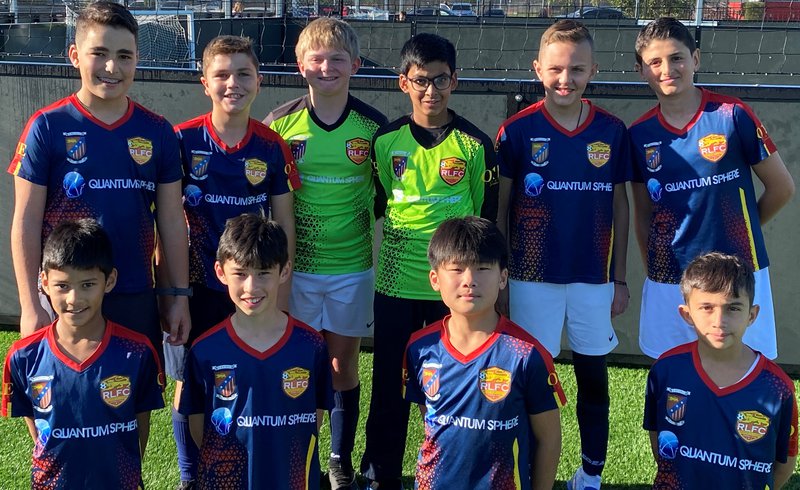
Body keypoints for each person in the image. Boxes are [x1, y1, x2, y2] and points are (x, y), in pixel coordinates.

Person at [7, 1, 191, 355]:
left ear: (137, 60)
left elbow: (171, 220)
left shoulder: (158, 131)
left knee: (134, 390)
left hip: (135, 294)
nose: (112, 67)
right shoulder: (46, 126)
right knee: (67, 388)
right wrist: (30, 305)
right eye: (99, 53)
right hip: (66, 298)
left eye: (124, 56)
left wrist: (178, 296)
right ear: (75, 56)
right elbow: (26, 221)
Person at [495, 19, 630, 490]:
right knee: (532, 380)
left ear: (593, 70)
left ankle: (590, 474)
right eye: (555, 69)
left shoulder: (612, 131)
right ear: (538, 69)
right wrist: (502, 279)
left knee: (594, 377)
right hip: (532, 278)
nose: (565, 79)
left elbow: (620, 206)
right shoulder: (516, 130)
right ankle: (531, 471)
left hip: (593, 278)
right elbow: (501, 210)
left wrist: (619, 277)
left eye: (576, 69)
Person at [361, 32, 499, 489]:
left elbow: (484, 221)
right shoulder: (386, 141)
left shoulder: (475, 145)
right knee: (389, 385)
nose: (431, 91)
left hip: (454, 293)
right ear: (403, 82)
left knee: (452, 388)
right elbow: (382, 201)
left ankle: (451, 474)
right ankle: (379, 475)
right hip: (396, 285)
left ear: (454, 80)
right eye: (420, 80)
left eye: (440, 80)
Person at [170, 34, 299, 489]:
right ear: (204, 82)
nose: (233, 83)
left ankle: (250, 465)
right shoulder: (181, 140)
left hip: (253, 287)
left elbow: (284, 224)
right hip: (199, 286)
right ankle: (191, 475)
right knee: (190, 382)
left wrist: (280, 297)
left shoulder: (272, 146)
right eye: (222, 74)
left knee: (248, 376)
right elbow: (166, 223)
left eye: (243, 74)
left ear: (259, 81)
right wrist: (175, 295)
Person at [263, 18, 386, 490]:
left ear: (356, 64)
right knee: (297, 365)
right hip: (294, 272)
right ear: (300, 65)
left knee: (341, 366)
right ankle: (301, 455)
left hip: (351, 268)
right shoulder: (280, 124)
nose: (327, 67)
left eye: (337, 58)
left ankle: (338, 460)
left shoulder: (374, 127)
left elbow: (384, 197)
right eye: (316, 58)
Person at [629, 17, 795, 360]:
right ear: (641, 70)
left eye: (677, 58)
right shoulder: (638, 135)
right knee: (674, 369)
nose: (667, 69)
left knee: (747, 369)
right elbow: (643, 214)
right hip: (670, 275)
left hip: (739, 268)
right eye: (655, 62)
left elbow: (782, 188)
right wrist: (654, 267)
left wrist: (738, 228)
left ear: (696, 59)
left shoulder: (732, 115)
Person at [404, 216, 565, 490]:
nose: (469, 280)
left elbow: (549, 439)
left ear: (503, 277)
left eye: (482, 268)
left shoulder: (526, 354)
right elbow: (432, 421)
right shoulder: (419, 348)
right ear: (435, 279)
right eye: (456, 269)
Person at [2, 218, 165, 489]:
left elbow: (139, 428)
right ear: (44, 282)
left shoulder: (137, 352)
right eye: (63, 285)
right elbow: (39, 429)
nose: (74, 299)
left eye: (87, 284)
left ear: (109, 281)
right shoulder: (24, 357)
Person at [178, 213, 332, 490]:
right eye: (240, 273)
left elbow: (314, 418)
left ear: (284, 271)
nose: (251, 287)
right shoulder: (205, 351)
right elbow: (198, 426)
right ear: (220, 272)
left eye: (263, 273)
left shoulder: (310, 346)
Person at [644, 252, 798, 489]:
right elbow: (659, 437)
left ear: (752, 315)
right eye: (707, 307)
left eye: (733, 308)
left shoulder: (777, 387)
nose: (719, 321)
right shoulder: (666, 370)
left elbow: (784, 462)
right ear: (687, 314)